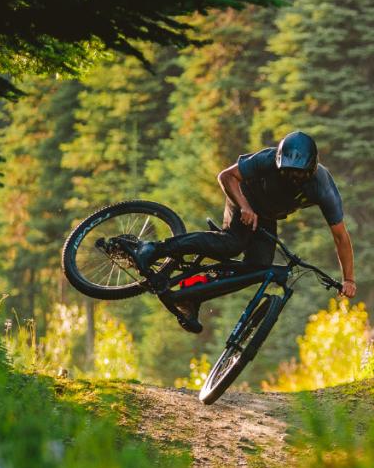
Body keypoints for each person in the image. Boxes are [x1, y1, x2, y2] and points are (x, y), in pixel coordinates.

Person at [130, 131, 357, 331]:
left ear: (312, 167)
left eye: (299, 174)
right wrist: (245, 207)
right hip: (244, 197)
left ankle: (191, 295)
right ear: (278, 162)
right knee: (232, 244)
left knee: (258, 268)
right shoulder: (267, 159)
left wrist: (348, 279)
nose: (293, 178)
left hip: (267, 216)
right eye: (287, 172)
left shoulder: (322, 187)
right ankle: (153, 249)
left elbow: (340, 235)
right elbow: (226, 176)